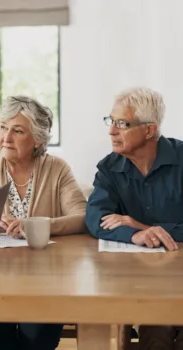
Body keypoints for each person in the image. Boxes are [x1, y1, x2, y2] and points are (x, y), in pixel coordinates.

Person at [0, 95, 87, 350]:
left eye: (17, 131)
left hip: (45, 281)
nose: (6, 137)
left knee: (36, 339)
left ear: (37, 139)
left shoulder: (57, 169)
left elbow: (82, 217)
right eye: (3, 128)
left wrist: (37, 224)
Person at [86, 87, 183, 350]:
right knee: (155, 337)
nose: (111, 131)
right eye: (111, 121)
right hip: (143, 281)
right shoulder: (109, 167)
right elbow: (96, 217)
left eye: (122, 124)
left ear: (149, 130)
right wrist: (135, 234)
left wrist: (146, 228)